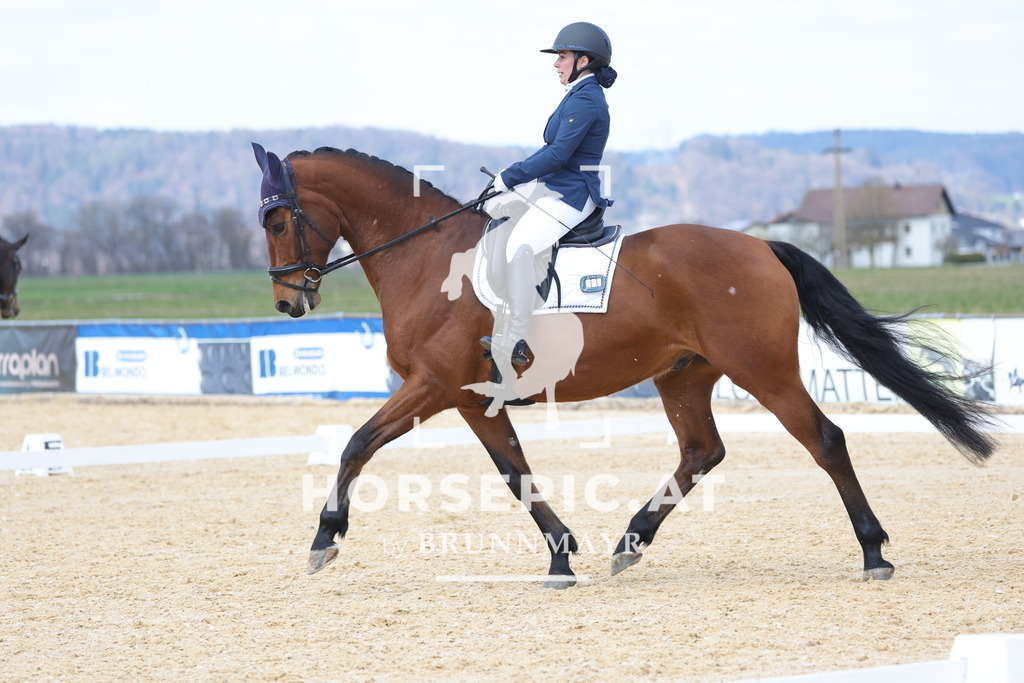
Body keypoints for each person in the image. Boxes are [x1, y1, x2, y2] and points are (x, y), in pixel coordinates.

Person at [481, 21, 617, 366]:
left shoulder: (586, 100)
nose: (556, 63)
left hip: (573, 194)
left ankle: (517, 339)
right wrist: (509, 183)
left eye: (562, 56)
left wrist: (509, 176)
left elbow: (558, 154)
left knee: (521, 246)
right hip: (555, 188)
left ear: (583, 61)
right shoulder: (577, 94)